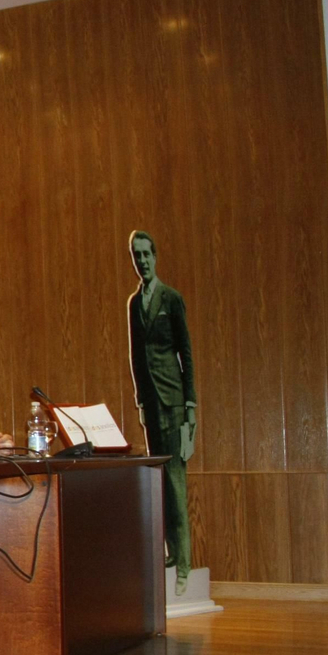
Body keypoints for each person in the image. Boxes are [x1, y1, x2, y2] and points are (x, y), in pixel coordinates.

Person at [126, 230, 197, 594]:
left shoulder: (172, 298)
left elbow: (186, 352)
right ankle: (170, 555)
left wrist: (190, 406)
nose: (142, 261)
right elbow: (137, 357)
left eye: (146, 254)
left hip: (174, 402)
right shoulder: (134, 303)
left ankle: (184, 566)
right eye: (136, 256)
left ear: (155, 256)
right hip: (152, 405)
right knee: (161, 482)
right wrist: (141, 400)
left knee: (175, 481)